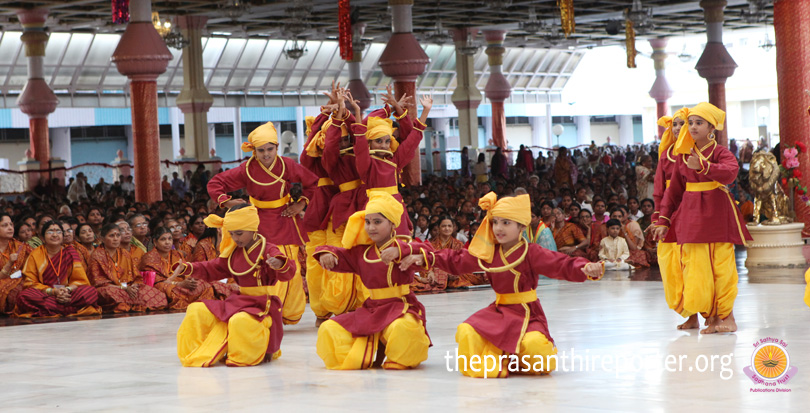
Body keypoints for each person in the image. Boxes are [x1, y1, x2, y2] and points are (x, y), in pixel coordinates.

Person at [400, 192, 603, 378]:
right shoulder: (488, 252)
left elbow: (560, 263)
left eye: (506, 223)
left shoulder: (530, 251)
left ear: (521, 227)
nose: (498, 228)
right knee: (466, 331)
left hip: (527, 313)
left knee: (536, 349)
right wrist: (426, 257)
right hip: (500, 311)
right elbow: (457, 260)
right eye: (495, 222)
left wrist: (584, 267)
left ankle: (509, 355)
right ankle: (505, 357)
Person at [654, 102, 752, 334]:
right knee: (695, 266)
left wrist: (705, 166)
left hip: (716, 212)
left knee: (721, 266)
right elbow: (673, 191)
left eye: (699, 123)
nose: (693, 127)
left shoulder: (720, 152)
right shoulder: (683, 154)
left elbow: (730, 172)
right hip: (691, 214)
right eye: (691, 122)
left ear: (711, 128)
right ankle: (706, 314)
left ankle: (727, 317)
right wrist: (663, 220)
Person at [207, 121, 318, 325]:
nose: (266, 154)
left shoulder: (287, 164)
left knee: (287, 262)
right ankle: (265, 309)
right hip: (257, 221)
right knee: (262, 266)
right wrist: (227, 201)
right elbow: (215, 183)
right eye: (261, 150)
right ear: (254, 151)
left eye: (270, 149)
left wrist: (300, 204)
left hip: (284, 218)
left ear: (277, 147)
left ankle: (288, 312)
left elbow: (312, 183)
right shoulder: (247, 169)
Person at [314, 191, 432, 370]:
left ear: (392, 224)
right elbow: (339, 253)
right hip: (371, 309)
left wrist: (402, 251)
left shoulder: (404, 245)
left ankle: (396, 354)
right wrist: (325, 253)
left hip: (401, 306)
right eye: (368, 222)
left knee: (404, 328)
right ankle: (366, 355)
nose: (371, 228)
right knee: (329, 329)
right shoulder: (362, 252)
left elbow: (428, 250)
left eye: (378, 222)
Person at [174, 205, 296, 367]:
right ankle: (195, 351)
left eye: (239, 233)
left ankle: (245, 355)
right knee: (196, 310)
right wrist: (188, 267)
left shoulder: (267, 248)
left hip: (262, 303)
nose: (236, 238)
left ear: (252, 229)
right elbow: (214, 267)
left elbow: (288, 272)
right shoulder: (233, 252)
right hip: (238, 300)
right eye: (232, 234)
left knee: (240, 320)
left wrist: (279, 263)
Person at [348, 89, 431, 236]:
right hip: (374, 206)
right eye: (378, 141)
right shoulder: (366, 162)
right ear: (370, 143)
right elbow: (360, 144)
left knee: (400, 245)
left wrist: (425, 111)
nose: (384, 145)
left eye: (387, 141)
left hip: (395, 206)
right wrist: (357, 113)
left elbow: (413, 140)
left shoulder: (394, 160)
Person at [14, 220, 100, 317]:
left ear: (63, 236)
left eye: (58, 232)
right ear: (42, 237)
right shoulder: (36, 254)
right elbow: (29, 283)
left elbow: (80, 280)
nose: (55, 235)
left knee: (90, 291)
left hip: (69, 295)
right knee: (24, 296)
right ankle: (69, 309)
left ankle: (53, 309)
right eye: (50, 232)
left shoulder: (70, 252)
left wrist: (67, 290)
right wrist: (53, 292)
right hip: (46, 295)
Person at [654, 108, 690, 328]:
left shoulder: (694, 153)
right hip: (670, 214)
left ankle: (703, 312)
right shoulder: (665, 157)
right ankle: (689, 314)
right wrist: (659, 218)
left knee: (693, 263)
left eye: (682, 123)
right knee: (672, 265)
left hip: (692, 210)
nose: (677, 128)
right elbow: (659, 191)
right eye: (674, 124)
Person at [140, 227, 229, 310]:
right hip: (163, 286)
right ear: (155, 242)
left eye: (169, 239)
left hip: (181, 283)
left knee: (203, 284)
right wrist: (178, 283)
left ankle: (201, 305)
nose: (167, 242)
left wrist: (189, 281)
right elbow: (155, 282)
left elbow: (187, 273)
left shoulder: (177, 254)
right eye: (163, 239)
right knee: (171, 290)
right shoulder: (149, 257)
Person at [90, 224, 167, 313]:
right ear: (102, 238)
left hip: (129, 288)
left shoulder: (124, 253)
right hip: (110, 289)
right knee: (108, 292)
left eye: (118, 235)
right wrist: (123, 288)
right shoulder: (97, 255)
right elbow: (97, 282)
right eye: (111, 236)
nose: (115, 239)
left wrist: (134, 285)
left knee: (158, 295)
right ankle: (132, 304)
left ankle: (129, 304)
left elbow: (136, 276)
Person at [412, 215, 485, 291]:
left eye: (449, 226)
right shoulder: (430, 244)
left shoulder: (458, 244)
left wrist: (454, 271)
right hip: (436, 271)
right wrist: (430, 271)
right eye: (443, 226)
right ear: (439, 228)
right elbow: (427, 261)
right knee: (426, 271)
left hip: (455, 272)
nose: (447, 228)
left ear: (453, 228)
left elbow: (462, 261)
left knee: (473, 273)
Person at [0, 213, 32, 314]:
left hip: (21, 282)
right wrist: (9, 263)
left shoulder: (21, 247)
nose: (10, 228)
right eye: (5, 225)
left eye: (11, 225)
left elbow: (34, 269)